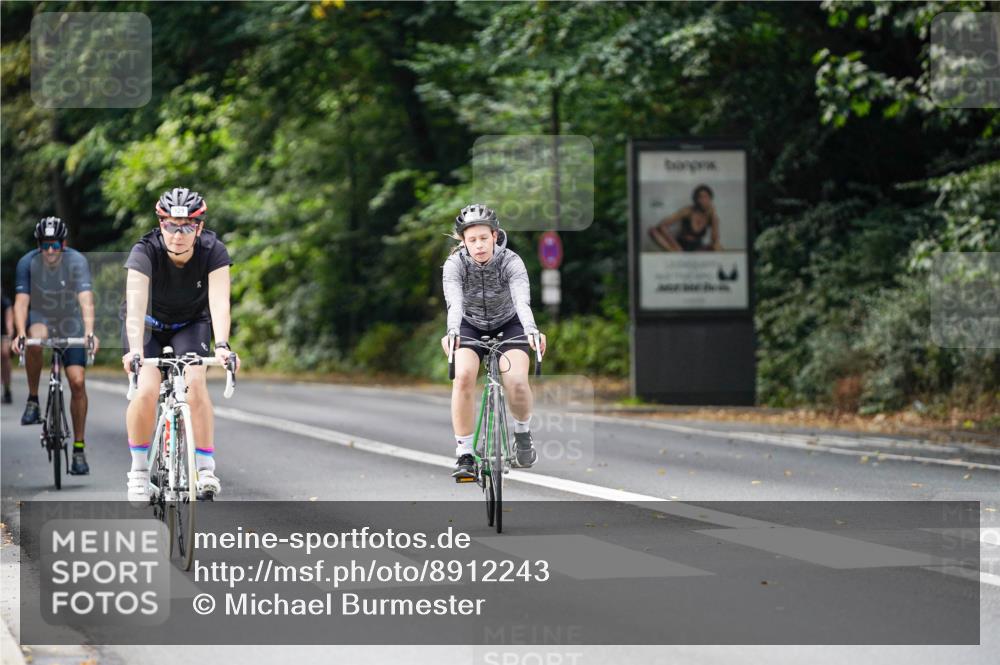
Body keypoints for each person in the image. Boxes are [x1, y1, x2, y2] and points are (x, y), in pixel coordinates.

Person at [121, 187, 239, 501]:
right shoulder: (144, 252)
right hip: (147, 326)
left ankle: (205, 468)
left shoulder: (213, 251)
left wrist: (223, 345)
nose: (177, 234)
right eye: (171, 226)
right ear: (160, 225)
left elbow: (219, 303)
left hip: (190, 323)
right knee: (147, 389)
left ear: (199, 228)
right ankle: (138, 471)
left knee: (195, 384)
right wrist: (135, 351)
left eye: (187, 227)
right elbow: (135, 308)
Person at [440, 204, 547, 481]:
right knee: (463, 376)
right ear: (464, 241)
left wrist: (531, 330)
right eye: (472, 239)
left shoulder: (511, 261)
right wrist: (452, 332)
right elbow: (454, 303)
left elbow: (522, 300)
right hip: (469, 324)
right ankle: (465, 453)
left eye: (484, 238)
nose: (479, 245)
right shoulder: (455, 265)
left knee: (517, 381)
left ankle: (522, 434)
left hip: (510, 323)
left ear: (495, 236)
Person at [10, 217, 99, 474]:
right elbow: (21, 303)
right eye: (45, 245)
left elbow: (86, 300)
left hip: (70, 319)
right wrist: (20, 333)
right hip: (40, 315)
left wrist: (90, 332)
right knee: (35, 339)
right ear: (38, 245)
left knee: (78, 382)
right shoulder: (27, 263)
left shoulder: (76, 261)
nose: (50, 250)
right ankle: (33, 400)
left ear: (64, 244)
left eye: (55, 245)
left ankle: (79, 449)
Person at [648, 184, 722, 252]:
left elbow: (715, 240)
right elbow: (662, 225)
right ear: (696, 199)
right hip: (680, 245)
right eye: (700, 197)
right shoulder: (688, 211)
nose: (703, 200)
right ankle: (676, 252)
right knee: (652, 230)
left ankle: (679, 253)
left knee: (718, 247)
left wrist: (713, 216)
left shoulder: (712, 216)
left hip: (697, 247)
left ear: (710, 199)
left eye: (705, 197)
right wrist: (675, 245)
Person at [2, 290, 13, 404]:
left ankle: (7, 389)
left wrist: (9, 337)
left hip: (3, 332)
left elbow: (9, 322)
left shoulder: (5, 302)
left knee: (5, 354)